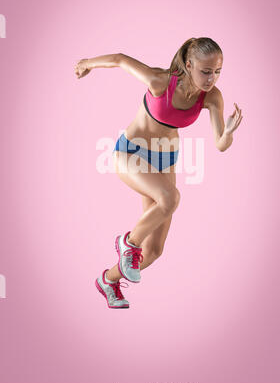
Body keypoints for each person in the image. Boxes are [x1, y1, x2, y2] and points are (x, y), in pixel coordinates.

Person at [75, 37, 243, 309]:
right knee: (170, 199)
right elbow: (119, 58)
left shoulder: (212, 97)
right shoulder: (160, 81)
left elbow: (220, 144)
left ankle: (108, 280)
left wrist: (229, 132)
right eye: (206, 71)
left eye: (217, 72)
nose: (212, 78)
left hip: (165, 160)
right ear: (189, 65)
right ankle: (127, 242)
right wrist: (86, 64)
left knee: (153, 251)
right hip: (132, 152)